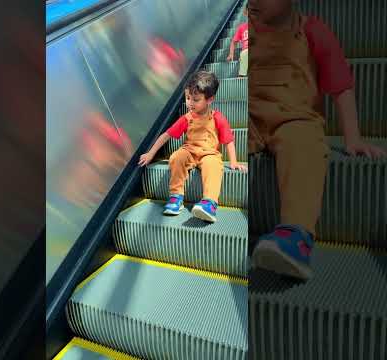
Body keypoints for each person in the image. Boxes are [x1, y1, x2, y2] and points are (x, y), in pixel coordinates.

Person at [248, 0, 386, 280]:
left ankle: (295, 235)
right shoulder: (246, 31)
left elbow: (340, 85)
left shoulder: (312, 30)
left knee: (304, 147)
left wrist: (353, 137)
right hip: (250, 115)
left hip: (295, 119)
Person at [138, 71, 246, 223]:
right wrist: (150, 153)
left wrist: (233, 162)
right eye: (187, 98)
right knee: (176, 157)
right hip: (189, 150)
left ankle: (209, 203)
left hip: (209, 153)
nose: (189, 103)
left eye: (195, 99)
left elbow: (228, 140)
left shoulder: (217, 118)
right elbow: (166, 135)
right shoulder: (186, 118)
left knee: (213, 165)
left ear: (210, 99)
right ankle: (176, 197)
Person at [227, 6, 248, 76]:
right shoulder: (242, 27)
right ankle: (241, 75)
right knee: (244, 54)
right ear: (245, 12)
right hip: (246, 53)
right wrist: (231, 54)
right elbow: (234, 42)